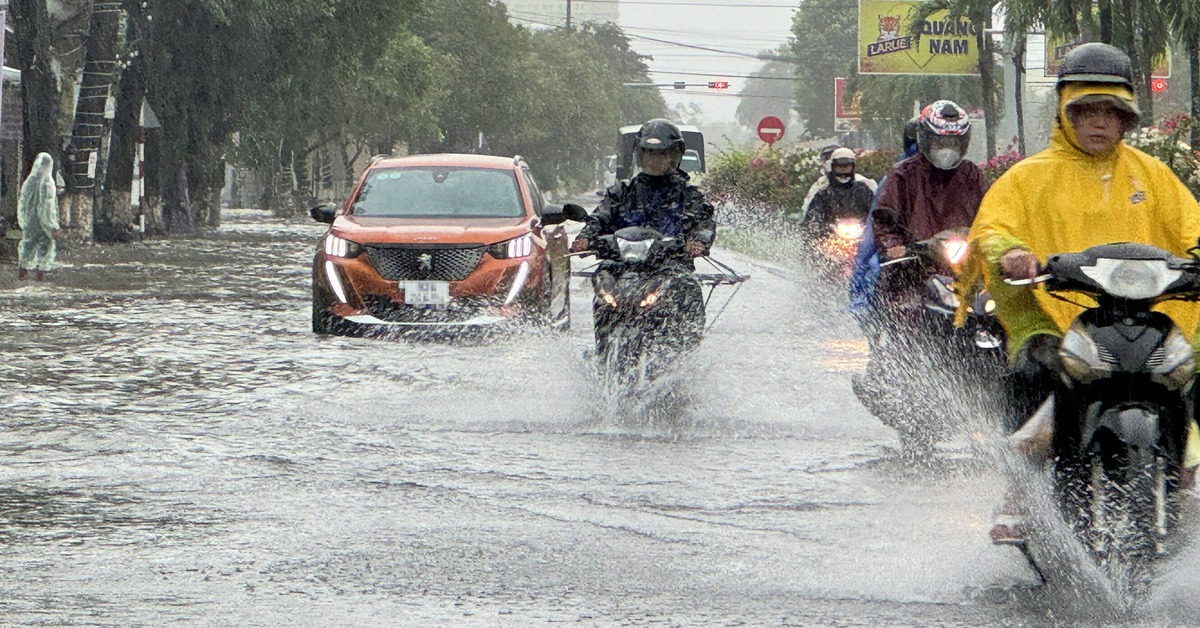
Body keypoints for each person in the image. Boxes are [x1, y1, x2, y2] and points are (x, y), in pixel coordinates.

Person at [964, 42, 1200, 543]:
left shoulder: (1152, 174)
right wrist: (1012, 252)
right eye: (1086, 110)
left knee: (1189, 367)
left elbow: (1191, 227)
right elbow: (993, 228)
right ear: (1064, 111)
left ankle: (1186, 472)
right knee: (1036, 369)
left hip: (1146, 312)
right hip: (1053, 312)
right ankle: (1018, 491)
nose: (1099, 122)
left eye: (1111, 112)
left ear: (1127, 118)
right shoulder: (1028, 176)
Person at [797, 144, 877, 221]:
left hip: (860, 230)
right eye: (839, 166)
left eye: (846, 166)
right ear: (832, 166)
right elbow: (809, 210)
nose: (843, 169)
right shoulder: (822, 186)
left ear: (853, 166)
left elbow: (875, 207)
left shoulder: (864, 185)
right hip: (830, 230)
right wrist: (816, 224)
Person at [17, 153, 60, 281]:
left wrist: (23, 218)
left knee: (28, 244)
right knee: (46, 244)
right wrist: (53, 224)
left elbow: (23, 202)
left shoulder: (29, 181)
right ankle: (41, 272)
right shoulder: (48, 182)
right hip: (44, 221)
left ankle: (23, 269)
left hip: (30, 220)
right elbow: (48, 206)